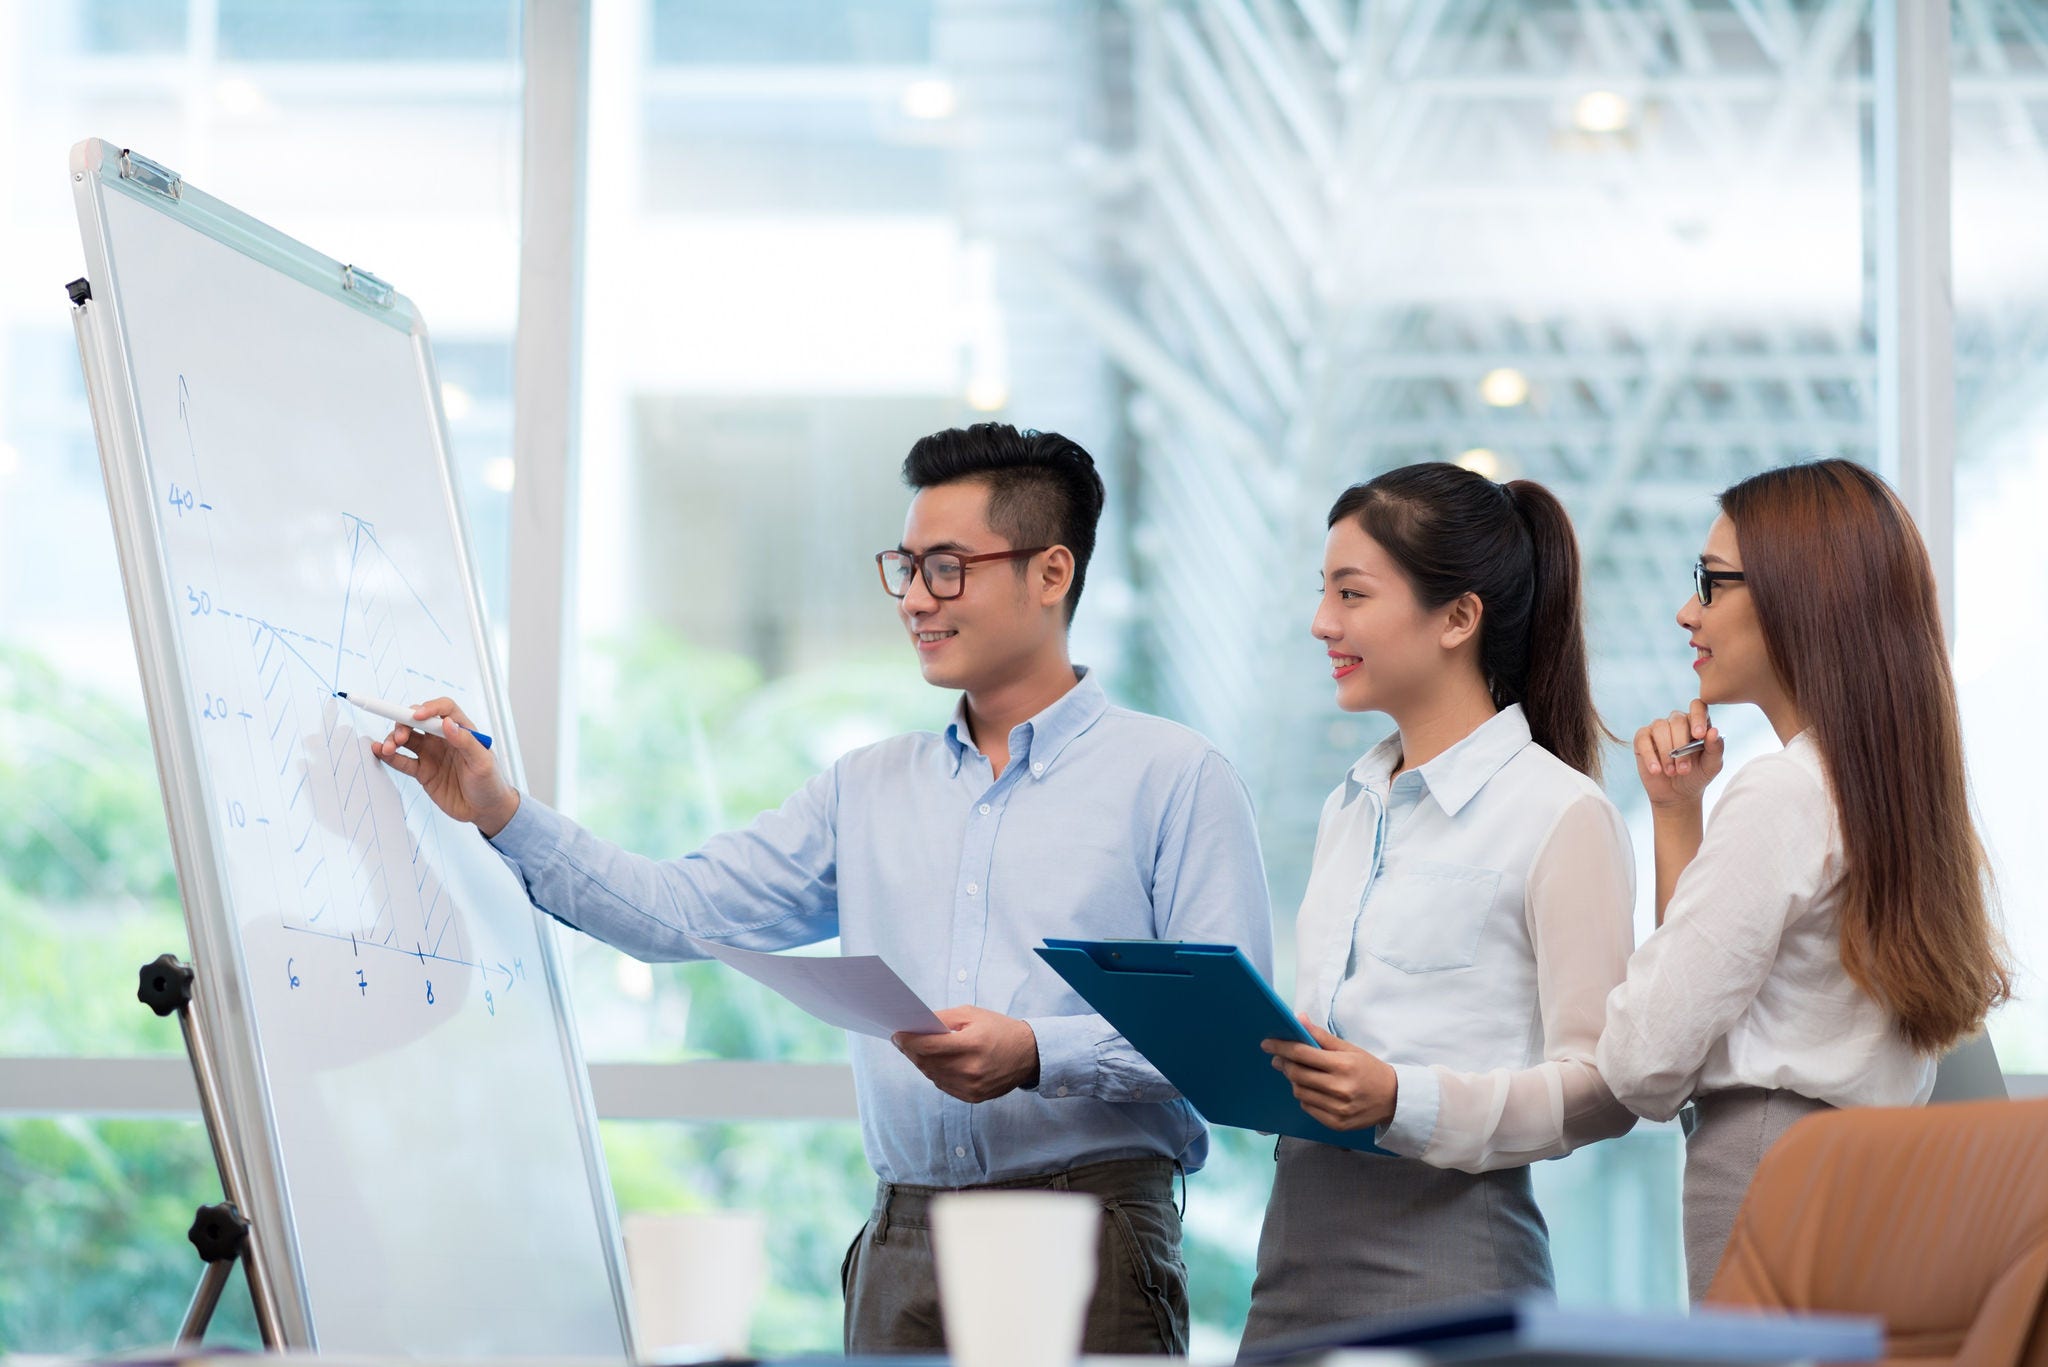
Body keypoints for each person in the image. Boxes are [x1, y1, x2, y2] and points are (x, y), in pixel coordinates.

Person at [371, 423, 1274, 1354]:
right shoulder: (867, 787)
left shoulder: (1175, 777)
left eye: (948, 568)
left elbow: (1230, 1047)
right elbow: (677, 912)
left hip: (1088, 1234)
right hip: (903, 1241)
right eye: (906, 567)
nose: (916, 599)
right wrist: (502, 809)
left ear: (1051, 573)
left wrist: (1035, 1050)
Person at [1241, 463, 1638, 1348]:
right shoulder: (1350, 807)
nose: (1322, 623)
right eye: (1323, 592)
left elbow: (1607, 1088)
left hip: (1450, 1252)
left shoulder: (1562, 814)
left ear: (1459, 617)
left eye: (1351, 593)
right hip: (1296, 1244)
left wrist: (1399, 1096)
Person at [1598, 458, 2012, 1301]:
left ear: (1799, 597)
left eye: (1710, 584)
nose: (1688, 612)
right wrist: (1679, 815)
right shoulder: (1891, 801)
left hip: (1763, 1174)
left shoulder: (1784, 792)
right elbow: (1724, 999)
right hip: (1875, 1190)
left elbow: (1645, 1059)